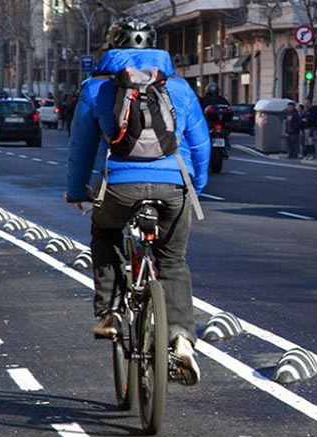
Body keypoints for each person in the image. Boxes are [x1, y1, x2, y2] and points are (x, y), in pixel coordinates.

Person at [64, 16, 210, 385]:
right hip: (174, 187)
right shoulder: (178, 87)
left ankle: (110, 313)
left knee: (106, 232)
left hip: (119, 186)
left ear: (112, 46)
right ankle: (181, 340)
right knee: (173, 261)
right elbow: (200, 144)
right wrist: (196, 183)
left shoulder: (96, 87)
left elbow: (81, 149)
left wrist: (77, 191)